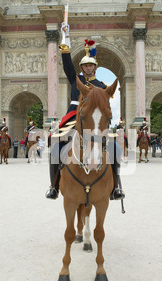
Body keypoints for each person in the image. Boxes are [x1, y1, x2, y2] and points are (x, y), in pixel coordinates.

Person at [45, 25, 125, 201]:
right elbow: (66, 64)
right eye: (85, 65)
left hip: (96, 121)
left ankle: (116, 187)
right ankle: (54, 186)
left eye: (90, 65)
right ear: (81, 68)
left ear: (95, 67)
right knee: (55, 149)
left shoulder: (103, 85)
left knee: (115, 149)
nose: (88, 68)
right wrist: (65, 40)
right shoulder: (76, 80)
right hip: (73, 117)